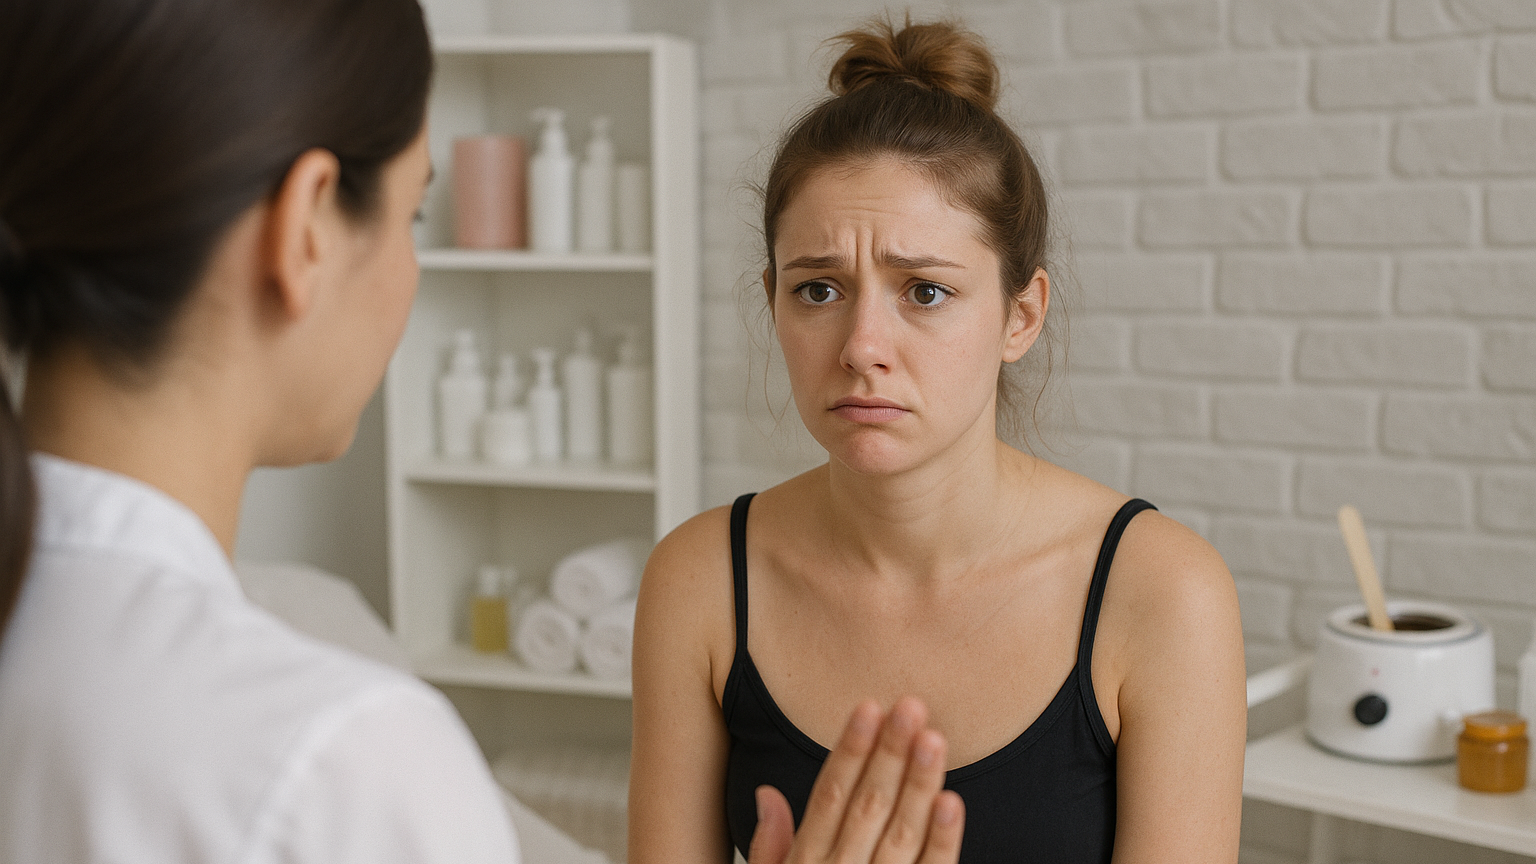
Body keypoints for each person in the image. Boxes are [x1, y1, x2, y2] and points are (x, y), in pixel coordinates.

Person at [0, 2, 962, 863]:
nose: (863, 348)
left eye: (924, 290)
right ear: (305, 230)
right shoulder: (341, 758)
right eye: (413, 213)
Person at [629, 16, 1247, 864]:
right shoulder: (698, 581)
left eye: (924, 291)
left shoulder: (1165, 594)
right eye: (818, 290)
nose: (861, 347)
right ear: (772, 301)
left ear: (1020, 315)